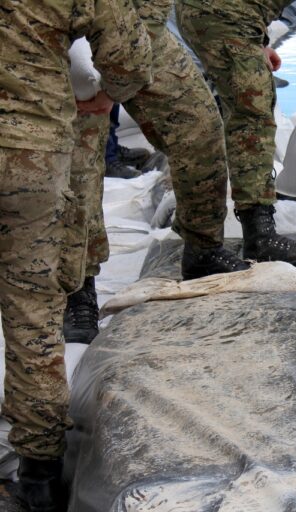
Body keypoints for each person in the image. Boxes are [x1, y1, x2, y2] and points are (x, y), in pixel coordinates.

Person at [0, 0, 153, 509]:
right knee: (33, 312)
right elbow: (130, 55)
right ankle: (39, 476)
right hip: (27, 157)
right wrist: (106, 96)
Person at [63, 0, 256, 344]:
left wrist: (118, 83)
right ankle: (77, 287)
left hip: (137, 20)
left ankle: (203, 248)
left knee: (200, 126)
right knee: (77, 159)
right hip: (54, 22)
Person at [176, 0, 296, 264]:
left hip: (207, 12)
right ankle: (260, 237)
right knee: (252, 121)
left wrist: (257, 42)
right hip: (224, 15)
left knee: (241, 110)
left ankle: (212, 242)